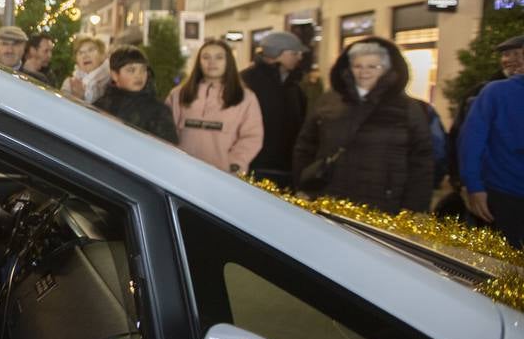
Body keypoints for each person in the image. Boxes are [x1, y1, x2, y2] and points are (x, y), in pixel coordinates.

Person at [293, 38, 434, 213]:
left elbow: (422, 159)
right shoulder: (327, 102)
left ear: (386, 69)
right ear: (349, 68)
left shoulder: (407, 108)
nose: (363, 72)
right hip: (330, 198)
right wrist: (303, 184)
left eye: (372, 66)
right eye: (357, 66)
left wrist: (414, 206)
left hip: (385, 205)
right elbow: (306, 145)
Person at [166, 39, 263, 173]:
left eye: (219, 57)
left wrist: (234, 163)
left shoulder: (245, 97)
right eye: (206, 57)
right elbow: (165, 131)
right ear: (199, 62)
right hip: (181, 172)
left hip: (224, 176)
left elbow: (252, 136)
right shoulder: (178, 94)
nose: (212, 62)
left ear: (228, 62)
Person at [457, 60, 524, 246]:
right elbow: (472, 141)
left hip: (501, 191)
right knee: (498, 264)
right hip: (502, 194)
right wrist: (474, 186)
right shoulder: (496, 92)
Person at [446, 34, 524, 192]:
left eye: (517, 54)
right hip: (493, 186)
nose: (510, 59)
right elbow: (461, 135)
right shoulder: (484, 91)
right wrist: (460, 180)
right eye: (505, 54)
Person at [240, 31, 308, 188]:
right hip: (253, 166)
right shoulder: (246, 81)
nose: (300, 57)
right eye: (294, 53)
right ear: (278, 54)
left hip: (287, 169)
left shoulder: (295, 85)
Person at [94, 46, 178, 143]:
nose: (138, 75)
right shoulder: (100, 107)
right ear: (114, 75)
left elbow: (167, 151)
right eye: (131, 70)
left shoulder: (158, 110)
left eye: (143, 70)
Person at [61, 36, 110, 103]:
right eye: (80, 53)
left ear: (102, 55)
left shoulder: (110, 82)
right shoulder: (70, 83)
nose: (85, 56)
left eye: (91, 50)